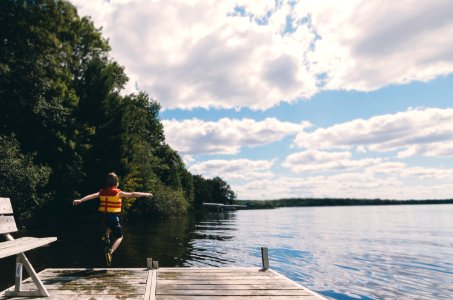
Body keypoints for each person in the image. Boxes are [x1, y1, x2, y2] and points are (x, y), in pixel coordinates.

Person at [73, 172, 152, 266]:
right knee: (120, 237)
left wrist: (80, 200)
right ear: (116, 183)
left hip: (104, 217)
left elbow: (91, 196)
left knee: (110, 225)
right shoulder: (118, 193)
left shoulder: (102, 192)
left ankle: (106, 236)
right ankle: (110, 251)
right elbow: (132, 194)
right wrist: (145, 194)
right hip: (112, 217)